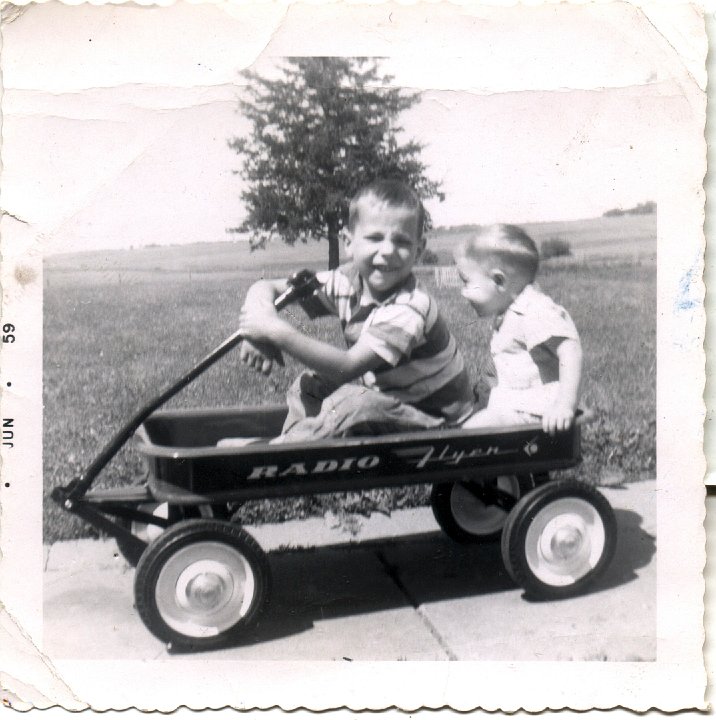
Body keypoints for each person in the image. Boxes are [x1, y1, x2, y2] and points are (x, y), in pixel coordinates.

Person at [237, 179, 473, 442]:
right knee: (311, 384)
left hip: (437, 421)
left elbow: (347, 367)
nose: (387, 251)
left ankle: (275, 452)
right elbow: (266, 286)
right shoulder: (345, 281)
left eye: (402, 242)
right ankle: (288, 449)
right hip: (391, 402)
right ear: (349, 242)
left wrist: (274, 330)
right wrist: (256, 332)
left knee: (355, 404)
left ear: (419, 250)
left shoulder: (409, 305)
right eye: (374, 238)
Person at [455, 224, 583, 435]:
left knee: (468, 434)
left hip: (536, 412)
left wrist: (564, 404)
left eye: (467, 282)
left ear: (499, 281)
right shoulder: (510, 310)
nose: (463, 292)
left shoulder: (535, 309)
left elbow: (570, 349)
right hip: (516, 405)